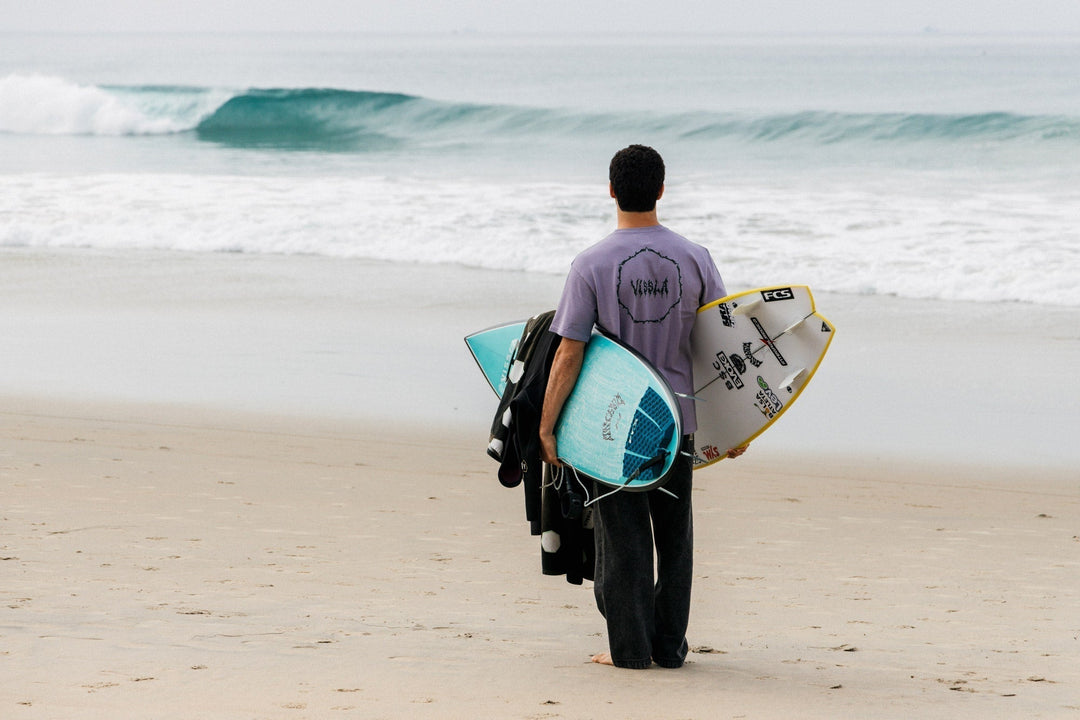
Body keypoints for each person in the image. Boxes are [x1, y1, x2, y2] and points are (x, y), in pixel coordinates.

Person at [539, 144, 746, 669]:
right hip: (679, 426)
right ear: (660, 190)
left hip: (614, 429)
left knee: (624, 540)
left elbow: (569, 351)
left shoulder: (590, 264)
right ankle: (670, 649)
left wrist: (546, 425)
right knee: (676, 540)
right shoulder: (695, 257)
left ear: (611, 190)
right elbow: (719, 346)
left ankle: (630, 651)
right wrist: (738, 423)